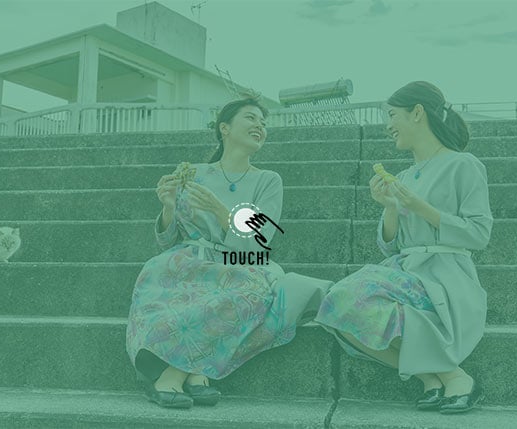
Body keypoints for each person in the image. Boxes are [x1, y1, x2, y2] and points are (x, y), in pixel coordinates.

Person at [126, 97, 330, 409]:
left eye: (263, 122)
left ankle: (174, 372)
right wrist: (168, 207)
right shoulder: (193, 173)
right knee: (157, 274)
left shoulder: (268, 180)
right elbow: (168, 240)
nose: (259, 126)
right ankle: (196, 373)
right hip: (190, 259)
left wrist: (220, 211)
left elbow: (260, 239)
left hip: (240, 261)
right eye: (251, 118)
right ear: (225, 128)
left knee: (254, 292)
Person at [315, 81, 493, 414]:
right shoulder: (406, 176)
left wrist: (421, 207)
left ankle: (455, 377)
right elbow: (391, 246)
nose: (388, 125)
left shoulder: (463, 164)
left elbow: (479, 234)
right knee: (336, 306)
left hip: (445, 276)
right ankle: (432, 377)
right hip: (407, 270)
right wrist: (390, 207)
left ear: (417, 113)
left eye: (393, 115)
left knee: (346, 297)